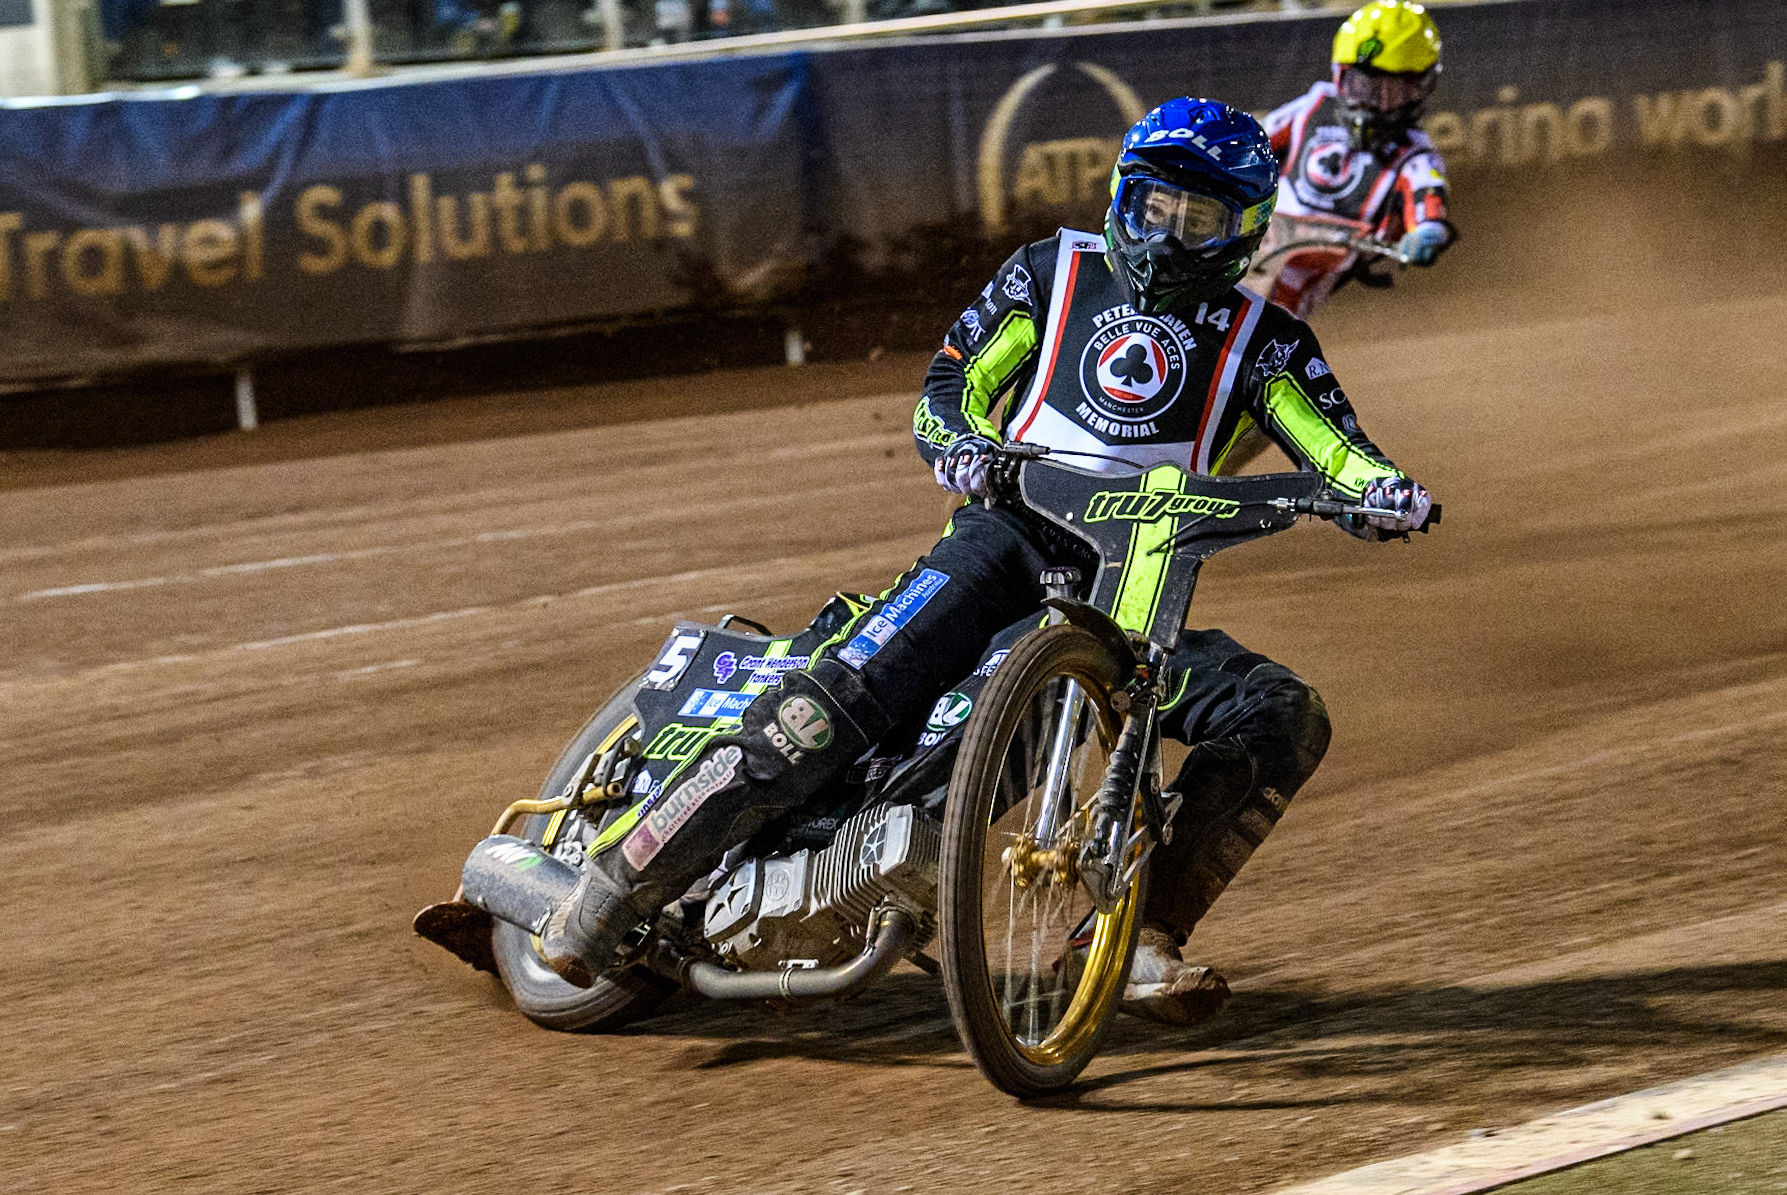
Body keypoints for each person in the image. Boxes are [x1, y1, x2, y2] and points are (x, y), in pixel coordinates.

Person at [539, 97, 1435, 1026]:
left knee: (1280, 713)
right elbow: (948, 387)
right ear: (1124, 195)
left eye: (1198, 219)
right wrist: (961, 441)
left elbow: (1336, 448)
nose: (1168, 237)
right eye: (1154, 206)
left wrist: (1381, 491)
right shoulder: (1054, 270)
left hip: (1130, 588)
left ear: (1241, 231)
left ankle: (1134, 938)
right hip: (1003, 535)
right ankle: (609, 890)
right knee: (842, 695)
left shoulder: (1269, 343)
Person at [1253, 0, 1455, 319]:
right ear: (1340, 77)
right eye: (1363, 86)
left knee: (1268, 313)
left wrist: (1428, 234)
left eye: (1394, 90)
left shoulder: (1416, 156)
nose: (1376, 103)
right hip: (1253, 235)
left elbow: (1428, 206)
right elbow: (1252, 145)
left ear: (1420, 87)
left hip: (1299, 278)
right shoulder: (1313, 106)